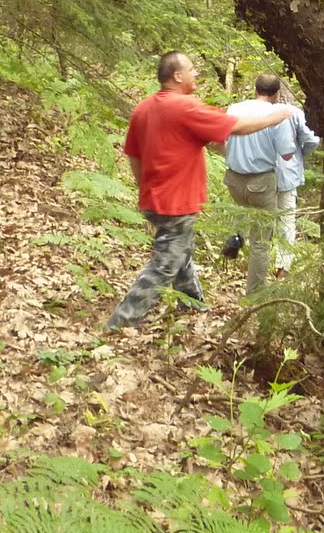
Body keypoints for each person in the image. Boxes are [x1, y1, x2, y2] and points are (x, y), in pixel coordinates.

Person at [104, 52, 298, 331]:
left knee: (180, 253)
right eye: (192, 69)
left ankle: (193, 304)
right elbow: (236, 127)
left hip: (154, 198)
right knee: (165, 264)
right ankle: (121, 322)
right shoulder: (185, 107)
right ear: (177, 76)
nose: (197, 73)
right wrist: (275, 116)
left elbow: (133, 155)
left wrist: (143, 186)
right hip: (176, 201)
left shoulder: (143, 108)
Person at [223, 73, 321, 293]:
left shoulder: (235, 109)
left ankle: (237, 235)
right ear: (277, 93)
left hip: (234, 177)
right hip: (268, 179)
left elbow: (222, 141)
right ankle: (262, 289)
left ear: (255, 90)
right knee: (269, 234)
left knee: (242, 208)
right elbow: (287, 153)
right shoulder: (283, 115)